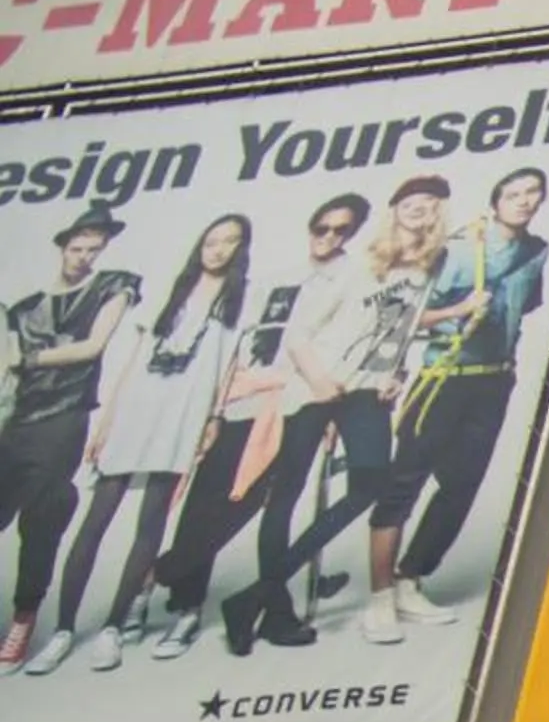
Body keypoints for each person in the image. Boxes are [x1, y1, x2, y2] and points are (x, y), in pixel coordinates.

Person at [221, 174, 443, 655]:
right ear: (395, 208)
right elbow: (299, 332)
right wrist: (320, 382)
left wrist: (397, 375)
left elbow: (397, 335)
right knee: (286, 495)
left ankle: (251, 597)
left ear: (436, 213)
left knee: (370, 484)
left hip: (365, 390)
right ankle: (276, 614)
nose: (419, 208)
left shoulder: (426, 269)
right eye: (410, 200)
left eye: (429, 203)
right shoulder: (360, 263)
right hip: (313, 383)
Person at [20, 214, 249, 676]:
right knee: (96, 520)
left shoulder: (242, 300)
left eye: (230, 241)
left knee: (151, 522)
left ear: (241, 249)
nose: (218, 248)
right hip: (139, 406)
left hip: (183, 413)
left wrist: (214, 417)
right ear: (199, 244)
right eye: (212, 239)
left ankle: (112, 626)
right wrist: (107, 420)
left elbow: (229, 365)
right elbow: (134, 359)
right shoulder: (172, 288)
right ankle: (64, 630)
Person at [147, 195, 361, 660]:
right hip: (241, 398)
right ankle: (183, 598)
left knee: (255, 501)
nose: (327, 236)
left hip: (295, 403)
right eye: (320, 227)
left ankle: (164, 573)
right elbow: (238, 346)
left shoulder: (351, 281)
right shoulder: (274, 280)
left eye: (339, 230)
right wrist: (216, 409)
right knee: (206, 500)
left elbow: (341, 351)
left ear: (352, 233)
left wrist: (331, 412)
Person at [366, 165, 549, 629]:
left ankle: (411, 578)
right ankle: (380, 596)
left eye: (533, 193)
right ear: (495, 202)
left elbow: (525, 306)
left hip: (493, 381)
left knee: (463, 484)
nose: (524, 201)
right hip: (444, 376)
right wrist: (458, 310)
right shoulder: (458, 249)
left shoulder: (536, 251)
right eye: (514, 193)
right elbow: (400, 314)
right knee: (405, 480)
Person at [0, 204, 137, 673]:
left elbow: (93, 347)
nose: (84, 256)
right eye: (77, 247)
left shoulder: (112, 287)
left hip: (63, 419)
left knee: (42, 518)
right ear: (63, 246)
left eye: (94, 248)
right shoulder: (22, 309)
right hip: (15, 421)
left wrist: (28, 360)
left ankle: (23, 621)